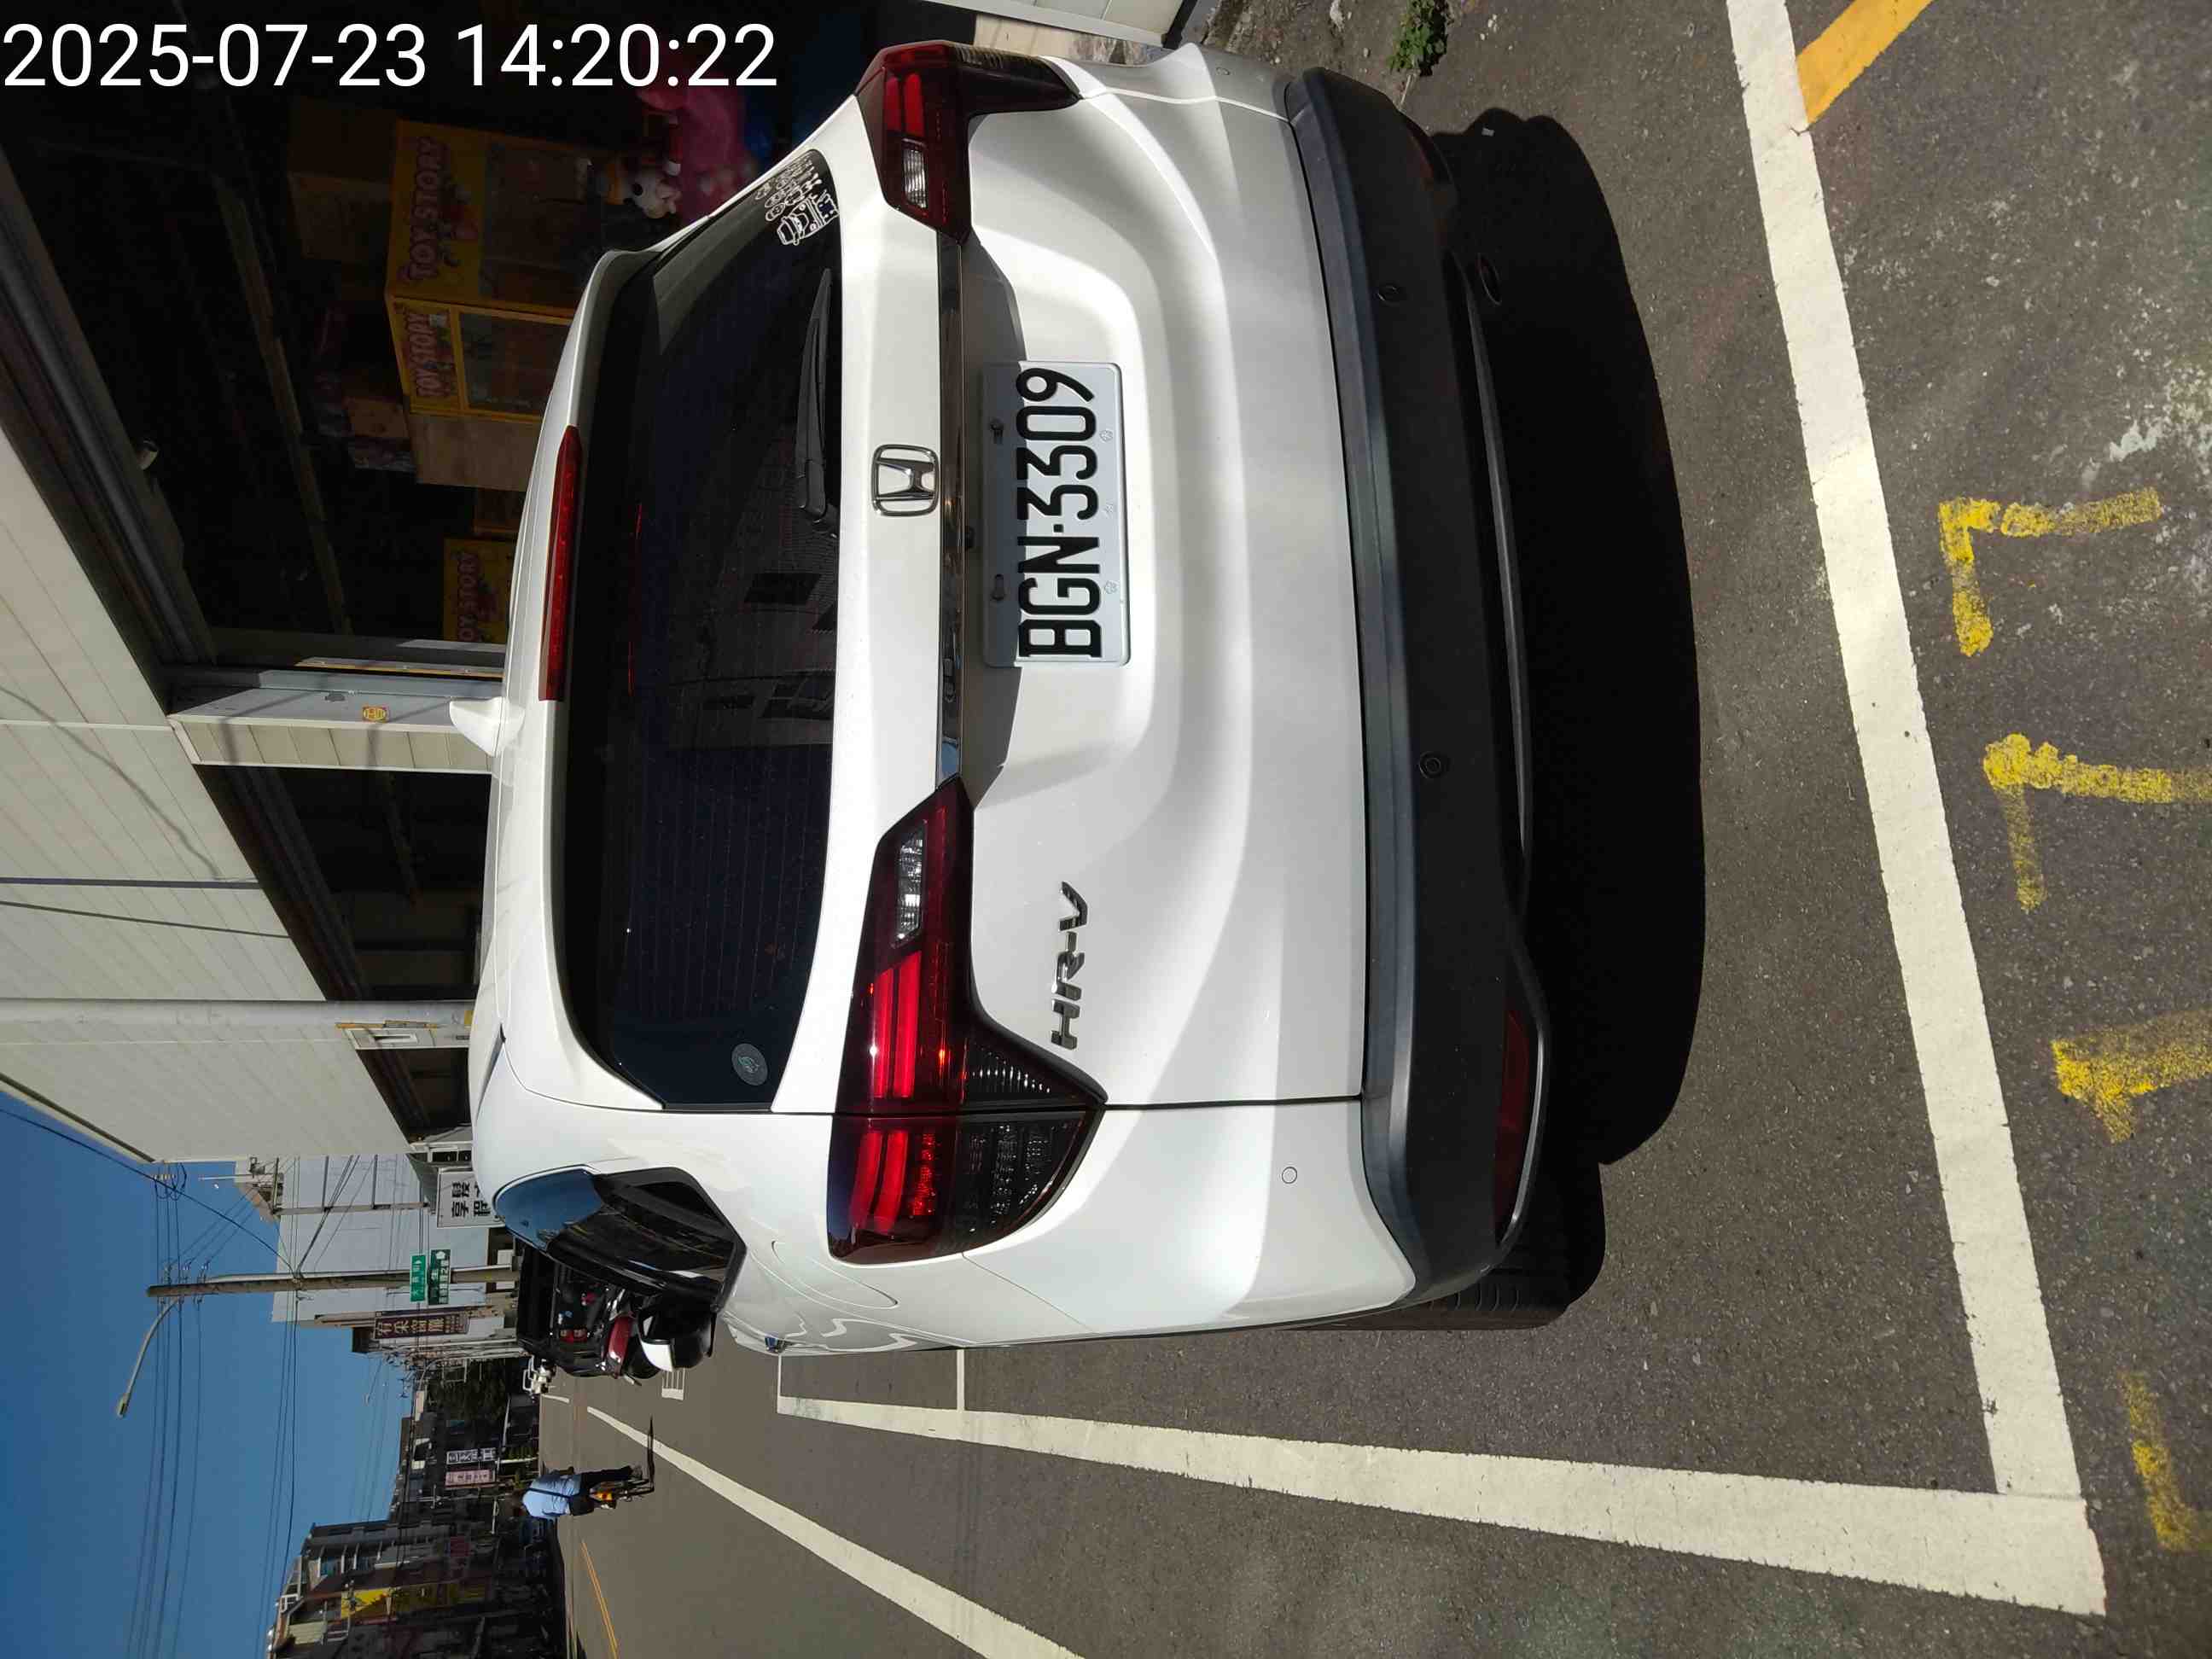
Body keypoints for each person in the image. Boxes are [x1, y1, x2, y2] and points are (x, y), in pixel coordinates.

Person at [518, 1464, 635, 1519]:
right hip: (575, 1485)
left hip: (573, 1507)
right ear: (521, 1490)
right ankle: (631, 1473)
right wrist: (568, 1471)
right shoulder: (535, 1484)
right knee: (601, 1476)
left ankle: (605, 1503)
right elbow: (556, 1474)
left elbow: (555, 1516)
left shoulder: (533, 1512)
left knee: (591, 1502)